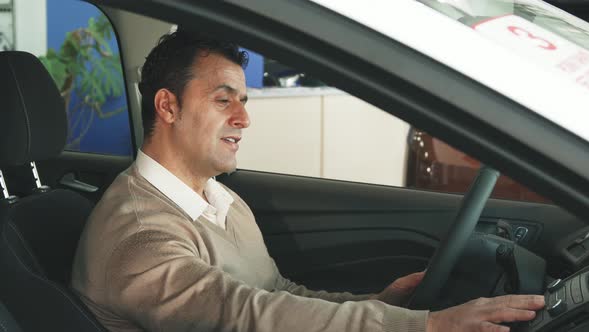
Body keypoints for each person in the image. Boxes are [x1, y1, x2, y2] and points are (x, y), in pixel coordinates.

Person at [71, 29, 545, 332]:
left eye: (245, 101)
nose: (243, 118)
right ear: (168, 107)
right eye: (223, 100)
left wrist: (378, 301)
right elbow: (247, 317)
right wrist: (425, 326)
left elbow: (279, 293)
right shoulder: (141, 238)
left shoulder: (219, 198)